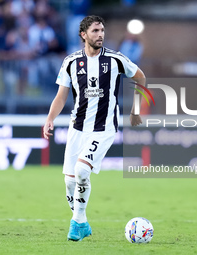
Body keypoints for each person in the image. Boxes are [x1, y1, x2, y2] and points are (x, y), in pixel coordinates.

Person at [43, 15, 144, 242]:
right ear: (84, 34)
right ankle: (82, 222)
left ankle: (76, 224)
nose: (100, 35)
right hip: (77, 127)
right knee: (70, 182)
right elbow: (61, 96)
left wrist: (136, 109)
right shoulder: (70, 62)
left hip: (104, 128)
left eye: (102, 31)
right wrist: (50, 118)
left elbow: (141, 77)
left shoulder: (116, 60)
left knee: (82, 171)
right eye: (96, 31)